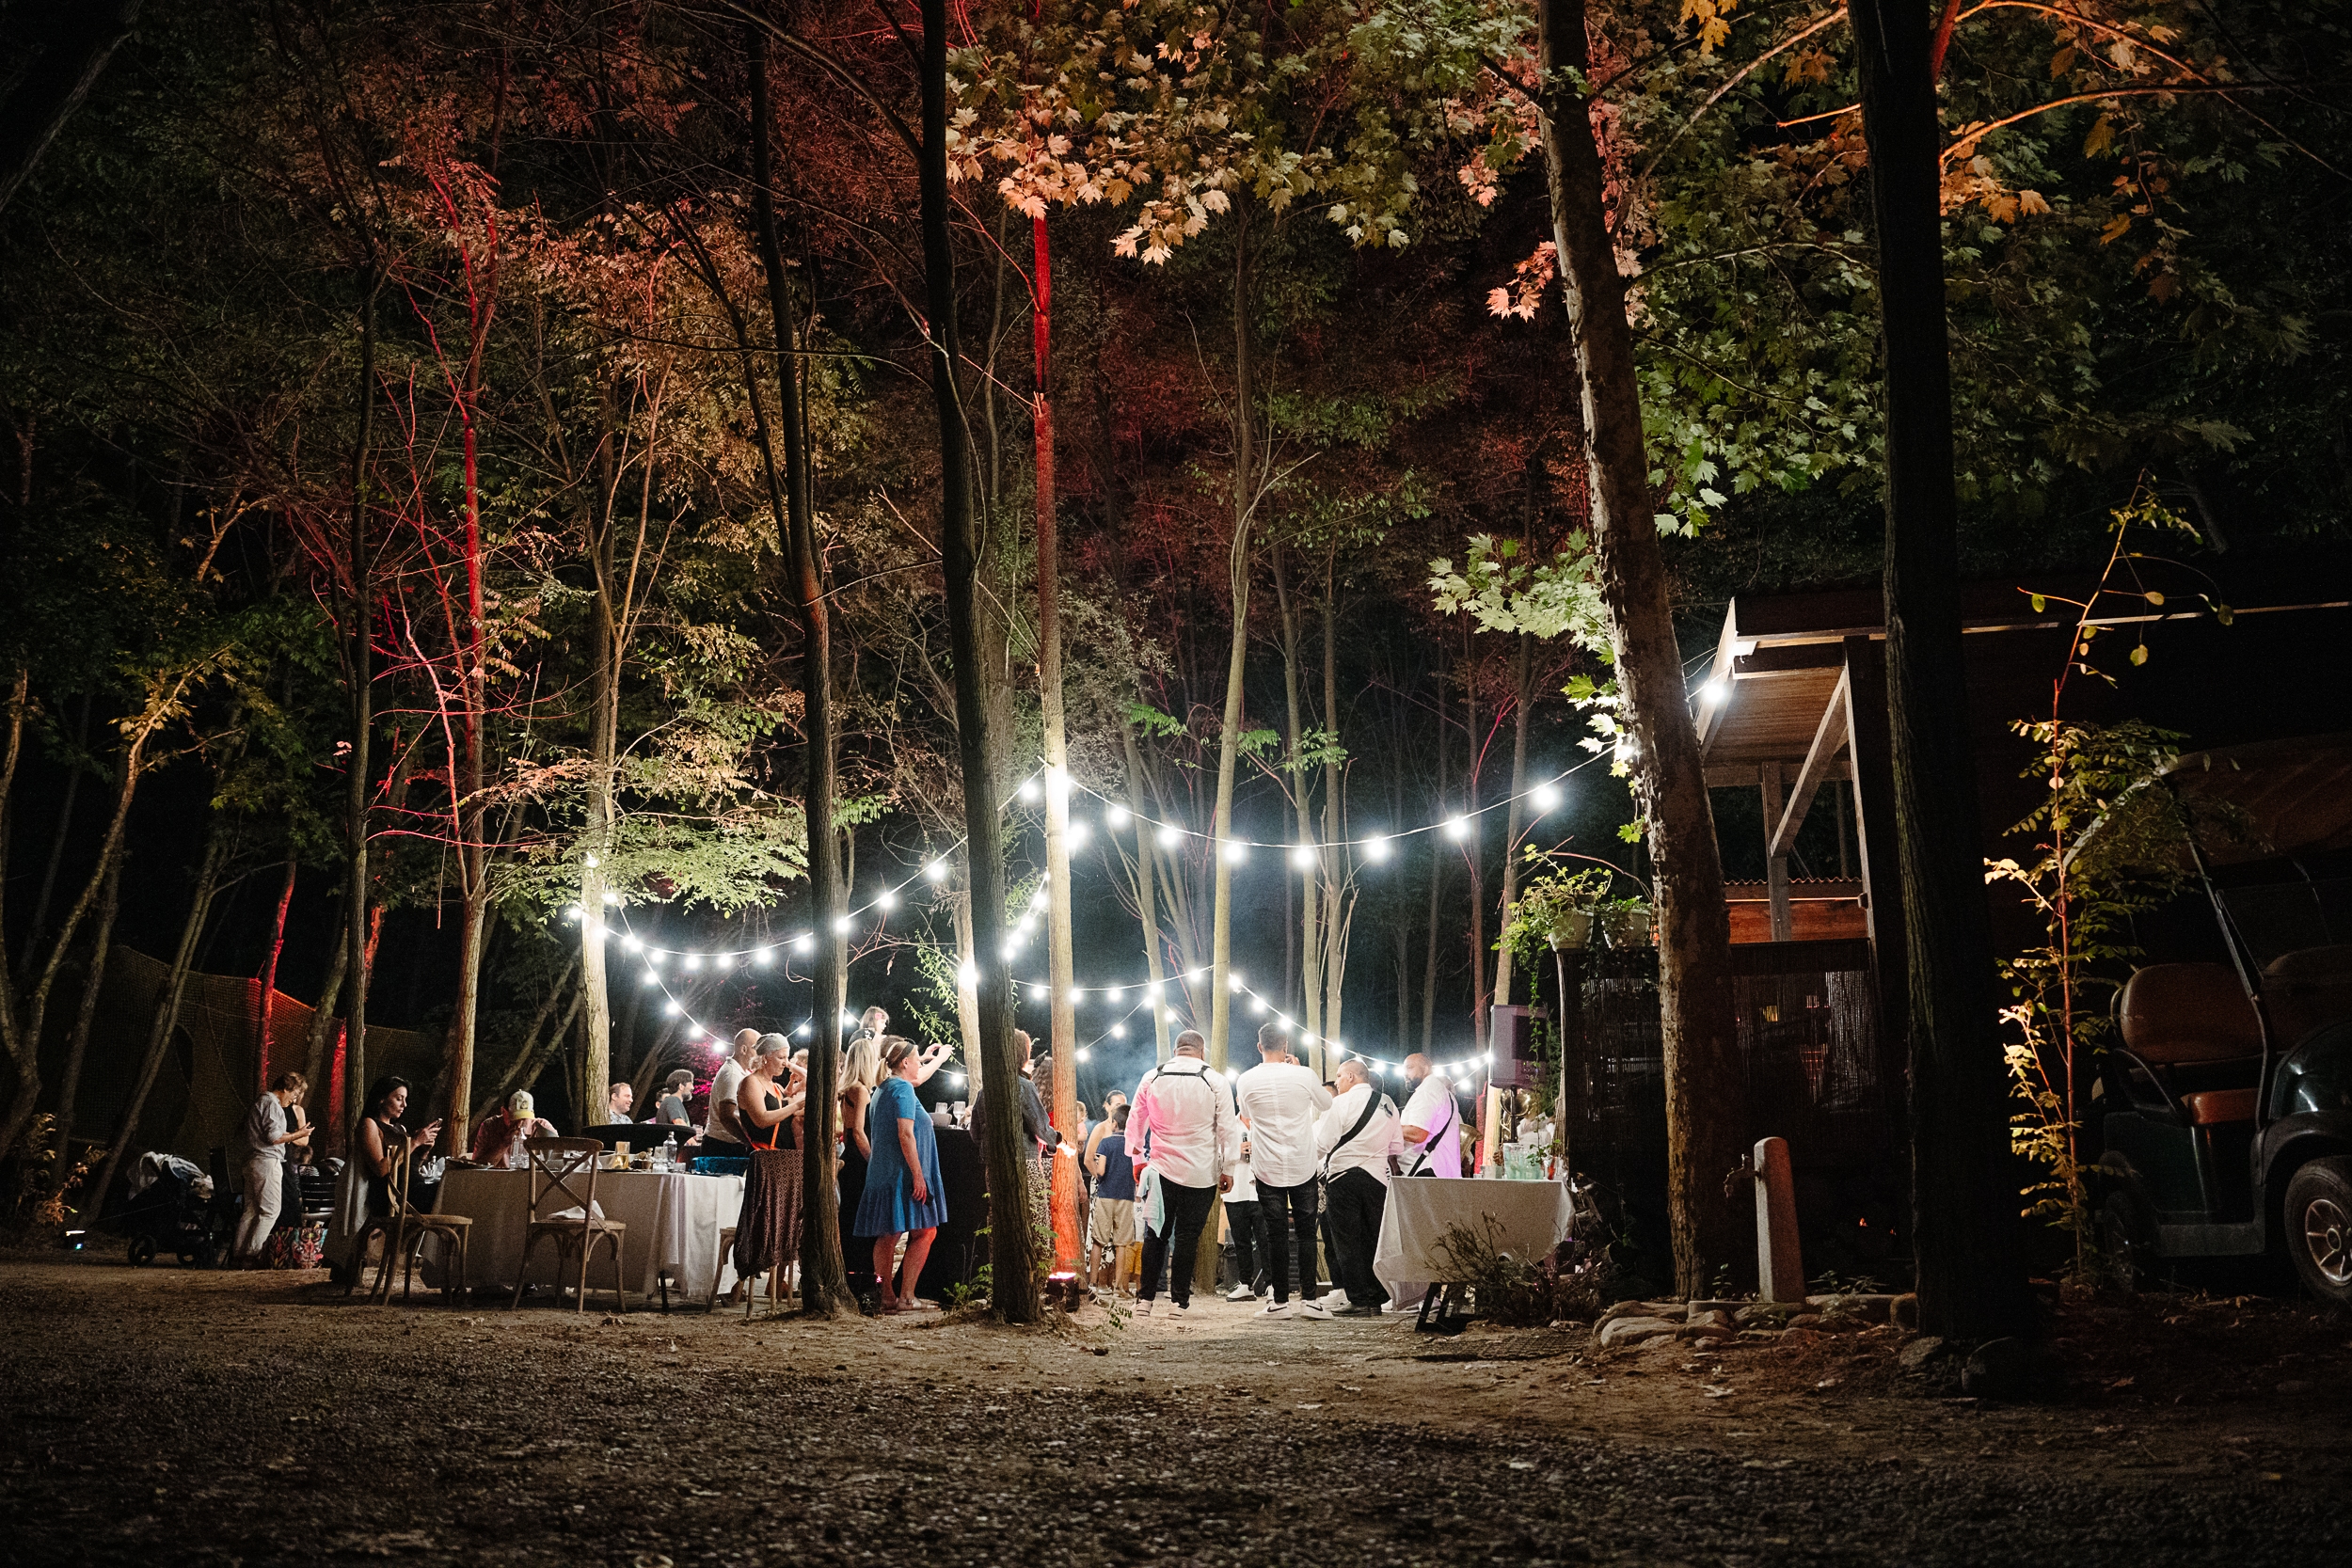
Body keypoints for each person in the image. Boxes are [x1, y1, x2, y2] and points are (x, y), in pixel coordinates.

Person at [1124, 1029, 1235, 1317]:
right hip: (1200, 1173)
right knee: (1187, 1238)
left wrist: (1137, 1158)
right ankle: (1179, 1302)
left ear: (1176, 1050)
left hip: (1160, 1170)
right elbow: (1227, 1128)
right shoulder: (1215, 1080)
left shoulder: (1152, 1077)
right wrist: (1229, 1167)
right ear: (1201, 1051)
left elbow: (1135, 1120)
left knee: (1155, 1234)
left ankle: (1145, 1300)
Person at [1232, 1022, 1335, 1317]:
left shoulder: (1246, 1079)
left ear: (1259, 1046)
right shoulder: (1304, 1074)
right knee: (1305, 1234)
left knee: (1275, 1235)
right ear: (1287, 1046)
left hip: (1267, 1165)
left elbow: (1247, 1115)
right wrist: (1300, 1070)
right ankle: (1310, 1300)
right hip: (1303, 1163)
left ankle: (1279, 1302)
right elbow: (1326, 1103)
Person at [854, 1037, 947, 1313]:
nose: (919, 1065)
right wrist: (919, 1176)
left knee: (889, 1234)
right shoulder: (903, 1089)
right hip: (902, 1173)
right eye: (917, 1060)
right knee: (925, 1230)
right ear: (905, 1063)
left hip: (883, 1171)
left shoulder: (883, 1088)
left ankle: (887, 1295)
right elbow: (905, 1134)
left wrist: (932, 1058)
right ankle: (905, 1296)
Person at [1314, 1058, 1400, 1318]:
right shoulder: (1388, 1104)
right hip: (1377, 1179)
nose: (1337, 1082)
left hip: (1344, 1178)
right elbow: (1396, 1147)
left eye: (1339, 1076)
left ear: (1351, 1077)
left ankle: (1359, 1299)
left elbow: (1323, 1143)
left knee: (1348, 1241)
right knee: (1374, 1239)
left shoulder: (1339, 1103)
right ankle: (1377, 1297)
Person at [233, 1072, 311, 1266]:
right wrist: (297, 1135)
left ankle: (238, 1253)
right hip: (267, 1161)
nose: (293, 1099)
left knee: (251, 1209)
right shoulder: (272, 1104)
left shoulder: (261, 1102)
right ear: (284, 1088)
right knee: (270, 1210)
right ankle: (252, 1254)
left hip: (253, 1160)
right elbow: (274, 1137)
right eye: (293, 1094)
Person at [838, 1035, 884, 1303]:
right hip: (858, 1161)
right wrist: (873, 1160)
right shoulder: (861, 1090)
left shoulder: (848, 1088)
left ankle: (853, 1276)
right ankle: (862, 1280)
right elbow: (857, 1130)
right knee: (861, 1221)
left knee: (850, 1218)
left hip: (849, 1159)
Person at [1086, 1103, 1136, 1294]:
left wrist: (1100, 1174)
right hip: (1126, 1197)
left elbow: (1100, 1171)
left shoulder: (1106, 1143)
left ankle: (1093, 1284)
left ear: (1114, 1123)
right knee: (1121, 1243)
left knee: (1099, 1240)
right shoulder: (1133, 1145)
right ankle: (1119, 1286)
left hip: (1106, 1196)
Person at [1398, 1053, 1462, 1178]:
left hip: (1425, 1170)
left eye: (1410, 1068)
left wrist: (1386, 1128)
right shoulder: (1439, 1090)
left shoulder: (1427, 1090)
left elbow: (1418, 1133)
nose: (1405, 1074)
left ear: (1426, 1069)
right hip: (1438, 1171)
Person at [737, 1035, 805, 1151]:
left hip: (782, 1156)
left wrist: (789, 1064)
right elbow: (762, 1120)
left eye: (787, 1058)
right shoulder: (751, 1082)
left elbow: (808, 1078)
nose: (785, 1063)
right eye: (781, 1057)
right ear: (765, 1057)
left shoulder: (776, 1087)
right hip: (765, 1155)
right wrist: (797, 1106)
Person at [702, 1029, 760, 1156]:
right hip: (723, 1145)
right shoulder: (732, 1074)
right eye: (757, 1049)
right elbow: (726, 1116)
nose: (760, 1055)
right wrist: (748, 1142)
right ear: (743, 1050)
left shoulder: (742, 1072)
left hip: (730, 1143)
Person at [469, 1089, 554, 1168]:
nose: (519, 1124)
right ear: (503, 1111)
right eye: (514, 1119)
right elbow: (477, 1166)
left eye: (524, 1119)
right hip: (497, 1180)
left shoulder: (542, 1127)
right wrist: (504, 1144)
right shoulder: (489, 1126)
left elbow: (556, 1161)